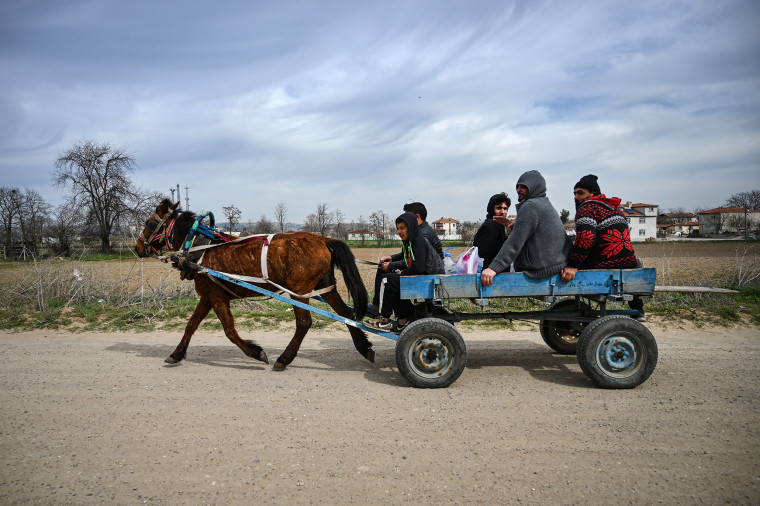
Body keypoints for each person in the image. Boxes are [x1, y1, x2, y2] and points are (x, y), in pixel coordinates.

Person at [560, 174, 646, 321]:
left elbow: (586, 238)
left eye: (580, 193)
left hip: (605, 263)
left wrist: (573, 266)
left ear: (593, 194)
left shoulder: (586, 208)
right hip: (628, 263)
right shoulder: (616, 210)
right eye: (574, 193)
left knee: (566, 258)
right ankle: (638, 309)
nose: (576, 197)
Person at [481, 170, 569, 287]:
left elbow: (515, 242)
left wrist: (493, 268)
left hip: (543, 269)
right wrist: (514, 226)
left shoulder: (531, 206)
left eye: (524, 187)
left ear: (535, 187)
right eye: (518, 186)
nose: (518, 190)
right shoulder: (543, 203)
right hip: (556, 264)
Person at [367, 201, 442, 316]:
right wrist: (391, 259)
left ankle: (386, 312)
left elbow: (416, 261)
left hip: (427, 274)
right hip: (421, 269)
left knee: (389, 279)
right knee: (384, 269)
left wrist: (393, 267)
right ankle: (383, 308)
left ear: (416, 218)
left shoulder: (421, 234)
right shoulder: (415, 233)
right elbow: (406, 255)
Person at [473, 192, 512, 269]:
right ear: (491, 209)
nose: (503, 212)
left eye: (505, 208)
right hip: (492, 273)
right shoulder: (493, 224)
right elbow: (483, 252)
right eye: (499, 208)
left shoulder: (498, 224)